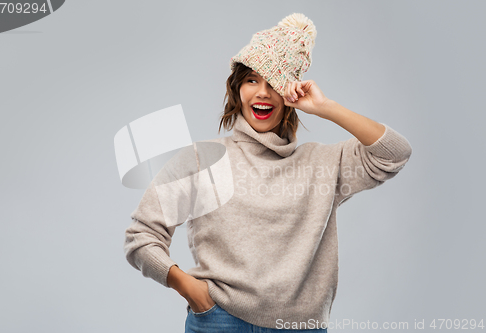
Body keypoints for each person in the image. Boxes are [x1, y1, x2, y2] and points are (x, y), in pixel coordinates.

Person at [123, 13, 412, 333]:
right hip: (219, 321)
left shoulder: (324, 163)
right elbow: (141, 238)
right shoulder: (202, 158)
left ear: (292, 96)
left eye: (274, 82)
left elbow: (395, 153)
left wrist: (326, 107)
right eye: (251, 80)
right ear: (237, 88)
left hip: (300, 326)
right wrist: (191, 290)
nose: (262, 92)